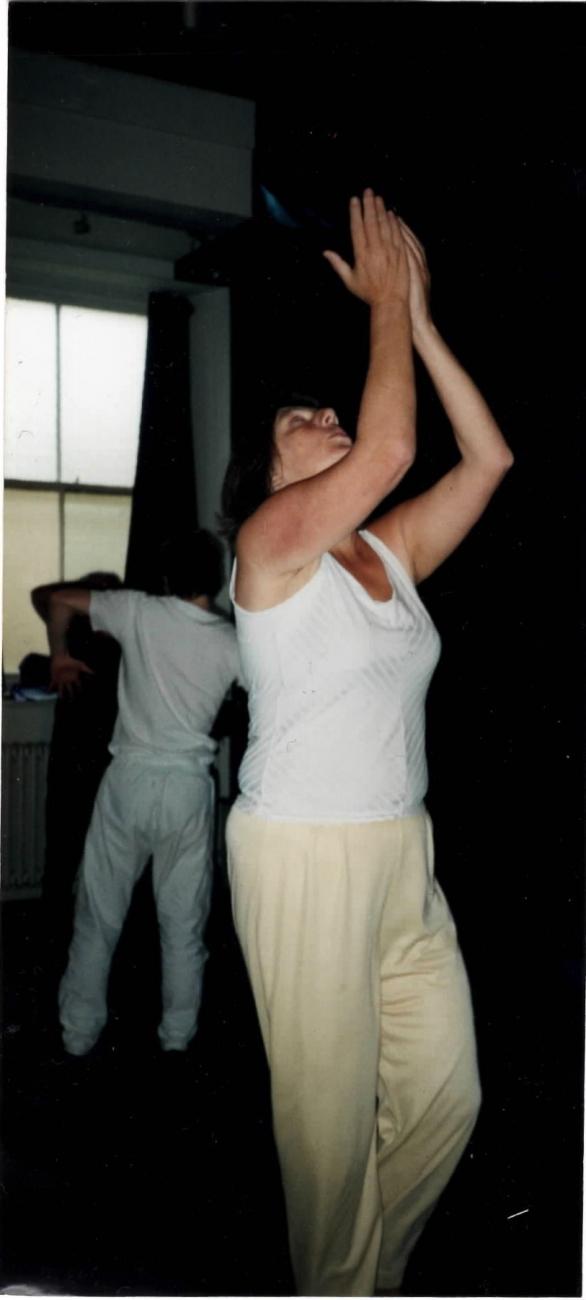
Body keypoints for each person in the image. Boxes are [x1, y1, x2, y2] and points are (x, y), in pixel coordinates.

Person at [221, 190, 514, 1296]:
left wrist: (421, 321)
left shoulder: (382, 553)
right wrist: (386, 300)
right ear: (271, 474)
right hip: (301, 854)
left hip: (401, 852)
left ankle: (358, 1283)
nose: (330, 423)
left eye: (330, 415)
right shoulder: (270, 548)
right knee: (330, 1145)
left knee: (448, 1095)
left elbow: (485, 460)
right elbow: (391, 446)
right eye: (303, 423)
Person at [46, 529, 241, 1057]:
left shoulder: (137, 611)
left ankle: (78, 1033)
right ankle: (177, 1039)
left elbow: (57, 599)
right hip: (185, 789)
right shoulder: (231, 642)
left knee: (98, 915)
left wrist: (59, 655)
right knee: (183, 924)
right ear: (219, 578)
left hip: (128, 780)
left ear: (166, 576)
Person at [31, 572, 122, 982]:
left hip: (89, 755)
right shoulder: (82, 632)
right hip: (86, 754)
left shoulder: (110, 632)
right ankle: (57, 946)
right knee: (71, 858)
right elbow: (43, 597)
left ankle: (57, 948)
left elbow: (42, 595)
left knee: (70, 858)